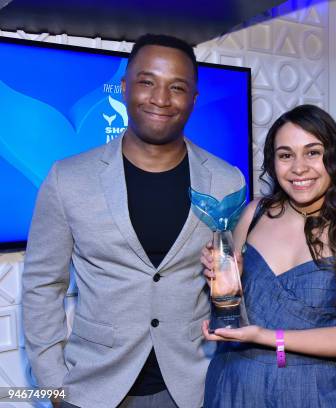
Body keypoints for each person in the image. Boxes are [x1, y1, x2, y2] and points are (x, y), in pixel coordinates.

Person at [22, 34, 244, 408]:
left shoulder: (227, 180)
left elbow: (231, 282)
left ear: (193, 99)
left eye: (177, 87)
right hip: (94, 388)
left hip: (194, 386)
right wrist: (54, 386)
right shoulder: (68, 178)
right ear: (124, 88)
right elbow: (42, 284)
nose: (160, 98)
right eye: (147, 82)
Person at [200, 104, 336, 407]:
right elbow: (230, 305)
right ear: (274, 163)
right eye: (286, 155)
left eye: (312, 152)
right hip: (234, 386)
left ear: (334, 157)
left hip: (315, 393)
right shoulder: (253, 214)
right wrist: (224, 274)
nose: (299, 167)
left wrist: (267, 337)